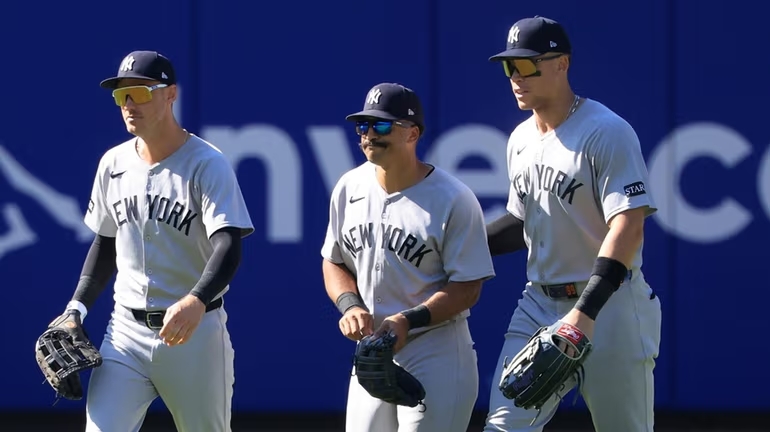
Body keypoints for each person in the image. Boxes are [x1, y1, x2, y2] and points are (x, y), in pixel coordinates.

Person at [54, 50, 254, 431]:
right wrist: (76, 308)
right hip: (124, 335)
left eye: (141, 92)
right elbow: (105, 244)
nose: (129, 104)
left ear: (171, 94)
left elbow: (229, 245)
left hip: (194, 335)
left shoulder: (206, 163)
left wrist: (197, 298)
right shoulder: (113, 163)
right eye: (121, 95)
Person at [482, 16, 663, 432]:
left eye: (527, 65)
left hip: (610, 306)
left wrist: (585, 312)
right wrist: (457, 243)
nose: (516, 77)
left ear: (562, 63)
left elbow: (628, 226)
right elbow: (522, 220)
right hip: (538, 304)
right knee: (502, 427)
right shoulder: (520, 139)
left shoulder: (606, 131)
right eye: (510, 66)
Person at [320, 82, 496, 432]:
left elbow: (468, 286)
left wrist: (406, 320)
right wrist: (350, 304)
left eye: (382, 125)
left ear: (412, 133)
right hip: (374, 351)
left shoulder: (453, 198)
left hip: (436, 348)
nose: (369, 134)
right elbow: (334, 260)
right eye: (363, 125)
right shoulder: (349, 187)